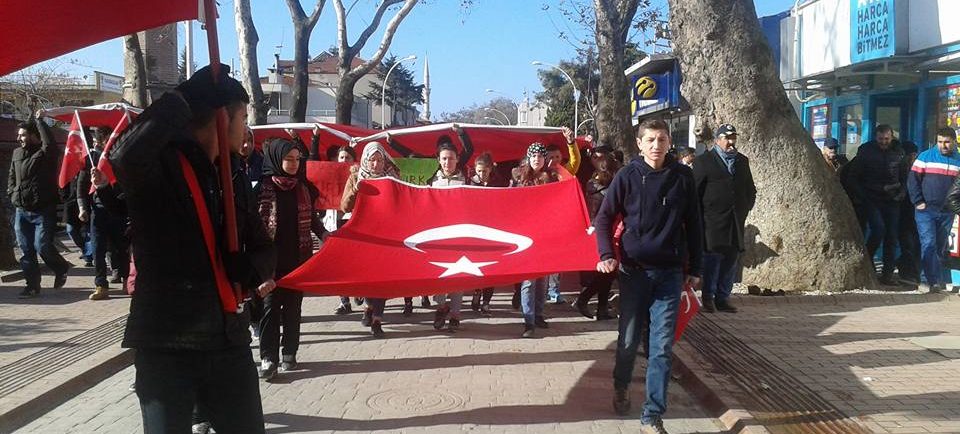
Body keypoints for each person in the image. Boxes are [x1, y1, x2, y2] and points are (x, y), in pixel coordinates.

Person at [108, 64, 276, 433]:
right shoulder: (160, 170)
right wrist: (179, 100)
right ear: (222, 118)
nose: (246, 129)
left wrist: (251, 268)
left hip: (229, 341)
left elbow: (264, 246)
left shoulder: (231, 174)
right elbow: (123, 157)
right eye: (243, 118)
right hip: (168, 343)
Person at [593, 119, 702, 433]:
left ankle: (652, 415)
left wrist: (696, 268)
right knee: (628, 341)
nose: (656, 146)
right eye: (650, 140)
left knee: (661, 346)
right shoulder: (627, 176)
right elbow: (604, 218)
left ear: (669, 142)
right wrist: (606, 255)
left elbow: (695, 223)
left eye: (662, 139)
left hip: (669, 274)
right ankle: (621, 384)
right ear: (639, 144)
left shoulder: (683, 177)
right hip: (633, 273)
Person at [256, 138, 323, 380]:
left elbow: (313, 220)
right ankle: (268, 358)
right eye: (288, 159)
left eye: (297, 159)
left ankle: (289, 353)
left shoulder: (302, 188)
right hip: (269, 264)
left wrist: (325, 234)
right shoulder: (261, 189)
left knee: (293, 309)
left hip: (297, 260)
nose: (294, 164)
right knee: (269, 310)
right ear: (276, 159)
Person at [693, 124, 756, 313]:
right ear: (717, 140)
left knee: (731, 259)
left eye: (733, 138)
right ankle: (708, 296)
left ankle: (723, 297)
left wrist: (745, 207)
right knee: (712, 260)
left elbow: (750, 189)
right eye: (727, 138)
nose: (731, 142)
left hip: (735, 221)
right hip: (712, 222)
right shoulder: (704, 161)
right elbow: (695, 192)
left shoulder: (742, 161)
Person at [341, 142, 401, 337]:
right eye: (372, 160)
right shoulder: (355, 176)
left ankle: (377, 319)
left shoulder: (392, 178)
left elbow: (401, 203)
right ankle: (368, 306)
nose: (376, 164)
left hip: (385, 235)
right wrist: (356, 190)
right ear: (366, 160)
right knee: (366, 276)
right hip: (364, 236)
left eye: (379, 160)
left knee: (382, 278)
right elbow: (344, 207)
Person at [9, 113, 70, 298]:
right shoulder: (17, 153)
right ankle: (32, 286)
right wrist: (12, 193)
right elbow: (12, 176)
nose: (19, 138)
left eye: (23, 135)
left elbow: (50, 145)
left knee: (42, 246)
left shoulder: (45, 154)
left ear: (34, 136)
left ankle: (61, 267)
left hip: (43, 210)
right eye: (19, 135)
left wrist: (40, 121)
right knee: (26, 250)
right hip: (21, 210)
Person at [848, 124, 908, 285]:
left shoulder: (899, 152)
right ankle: (867, 261)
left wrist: (901, 194)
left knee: (891, 237)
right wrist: (863, 196)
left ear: (892, 137)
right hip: (872, 198)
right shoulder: (866, 151)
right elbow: (853, 177)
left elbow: (904, 177)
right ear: (876, 137)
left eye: (886, 139)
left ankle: (887, 275)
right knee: (878, 229)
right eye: (881, 139)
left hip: (892, 199)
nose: (883, 142)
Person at [427, 132, 475, 331]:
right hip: (438, 237)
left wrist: (461, 132)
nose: (447, 162)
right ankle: (441, 307)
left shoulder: (466, 182)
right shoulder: (430, 181)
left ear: (457, 160)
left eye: (451, 158)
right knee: (438, 276)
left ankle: (455, 314)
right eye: (444, 159)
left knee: (458, 277)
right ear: (439, 160)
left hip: (460, 237)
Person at [512, 143, 560, 338]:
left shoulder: (553, 178)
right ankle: (528, 321)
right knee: (529, 281)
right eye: (533, 156)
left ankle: (538, 314)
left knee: (543, 280)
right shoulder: (519, 179)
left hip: (546, 235)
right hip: (526, 236)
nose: (536, 160)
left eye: (540, 156)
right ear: (528, 158)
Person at [78, 127, 130, 301]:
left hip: (118, 209)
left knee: (121, 247)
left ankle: (126, 279)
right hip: (98, 211)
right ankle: (101, 284)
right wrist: (82, 208)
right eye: (103, 140)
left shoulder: (120, 157)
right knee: (97, 248)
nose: (107, 143)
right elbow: (81, 187)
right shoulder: (91, 160)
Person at [908, 129, 960, 292]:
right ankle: (927, 281)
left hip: (947, 211)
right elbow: (913, 181)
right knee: (928, 243)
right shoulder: (925, 157)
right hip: (926, 210)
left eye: (947, 142)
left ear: (954, 142)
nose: (943, 145)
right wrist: (918, 201)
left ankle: (935, 280)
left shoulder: (958, 160)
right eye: (940, 142)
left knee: (940, 246)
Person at [574, 143, 621, 320]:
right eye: (595, 157)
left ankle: (601, 308)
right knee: (607, 271)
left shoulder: (616, 179)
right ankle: (584, 299)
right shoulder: (593, 183)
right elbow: (594, 210)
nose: (598, 161)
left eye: (601, 157)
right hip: (602, 230)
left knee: (608, 272)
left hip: (614, 228)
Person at [543, 126, 582, 304]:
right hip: (542, 223)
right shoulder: (539, 174)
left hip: (560, 222)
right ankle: (539, 290)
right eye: (550, 157)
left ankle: (553, 290)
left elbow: (575, 160)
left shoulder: (566, 171)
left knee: (556, 259)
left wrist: (571, 143)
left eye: (557, 157)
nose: (554, 160)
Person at [469, 152, 509, 316]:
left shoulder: (499, 183)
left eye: (484, 171)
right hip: (475, 232)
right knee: (478, 268)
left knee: (491, 269)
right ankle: (476, 292)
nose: (481, 174)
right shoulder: (470, 183)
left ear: (490, 169)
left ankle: (486, 302)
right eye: (478, 171)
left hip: (493, 231)